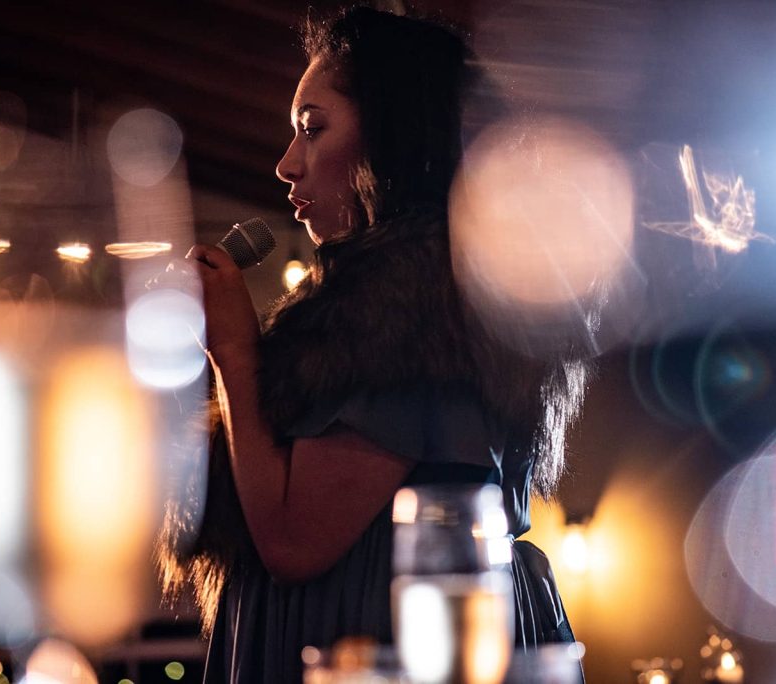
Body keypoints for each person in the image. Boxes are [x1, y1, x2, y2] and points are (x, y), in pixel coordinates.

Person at [160, 7, 590, 682]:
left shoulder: (414, 304)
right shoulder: (398, 299)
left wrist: (236, 353)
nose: (285, 164)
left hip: (378, 642)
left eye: (313, 129)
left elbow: (295, 542)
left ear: (393, 133)